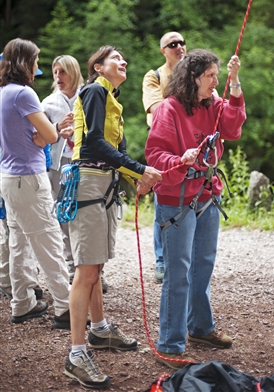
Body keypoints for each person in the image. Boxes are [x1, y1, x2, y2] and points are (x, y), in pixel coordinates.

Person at [64, 45, 162, 389]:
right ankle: (76, 354)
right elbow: (93, 141)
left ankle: (100, 330)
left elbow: (116, 150)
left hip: (104, 185)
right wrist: (139, 169)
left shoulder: (112, 99)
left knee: (97, 265)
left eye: (124, 59)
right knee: (87, 269)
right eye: (115, 58)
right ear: (98, 66)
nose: (123, 62)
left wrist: (140, 177)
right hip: (89, 182)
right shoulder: (93, 90)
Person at [145, 49, 246, 369]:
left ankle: (200, 328)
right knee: (178, 273)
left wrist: (234, 84)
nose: (216, 81)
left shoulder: (213, 104)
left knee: (202, 265)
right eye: (211, 76)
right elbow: (155, 155)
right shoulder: (169, 109)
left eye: (218, 76)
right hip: (176, 198)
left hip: (207, 195)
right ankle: (169, 345)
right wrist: (180, 160)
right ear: (193, 77)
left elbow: (232, 128)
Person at [0, 38, 71, 328]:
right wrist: (57, 127)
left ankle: (23, 303)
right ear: (24, 62)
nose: (38, 66)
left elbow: (32, 135)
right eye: (36, 60)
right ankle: (67, 308)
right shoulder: (24, 94)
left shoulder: (4, 91)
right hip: (29, 178)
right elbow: (49, 137)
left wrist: (42, 132)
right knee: (50, 240)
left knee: (19, 243)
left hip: (9, 178)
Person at [142, 31, 187, 282]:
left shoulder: (194, 74)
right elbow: (156, 107)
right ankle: (161, 259)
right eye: (172, 44)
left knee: (194, 197)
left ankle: (185, 257)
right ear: (163, 50)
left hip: (190, 145)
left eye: (181, 42)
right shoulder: (154, 76)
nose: (179, 47)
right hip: (164, 146)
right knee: (163, 200)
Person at [42, 55, 85, 285]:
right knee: (64, 215)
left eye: (63, 72)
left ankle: (94, 268)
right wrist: (57, 130)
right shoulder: (47, 103)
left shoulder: (89, 95)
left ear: (74, 72)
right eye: (55, 72)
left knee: (86, 213)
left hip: (84, 163)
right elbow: (36, 137)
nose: (58, 77)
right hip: (59, 166)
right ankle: (72, 267)